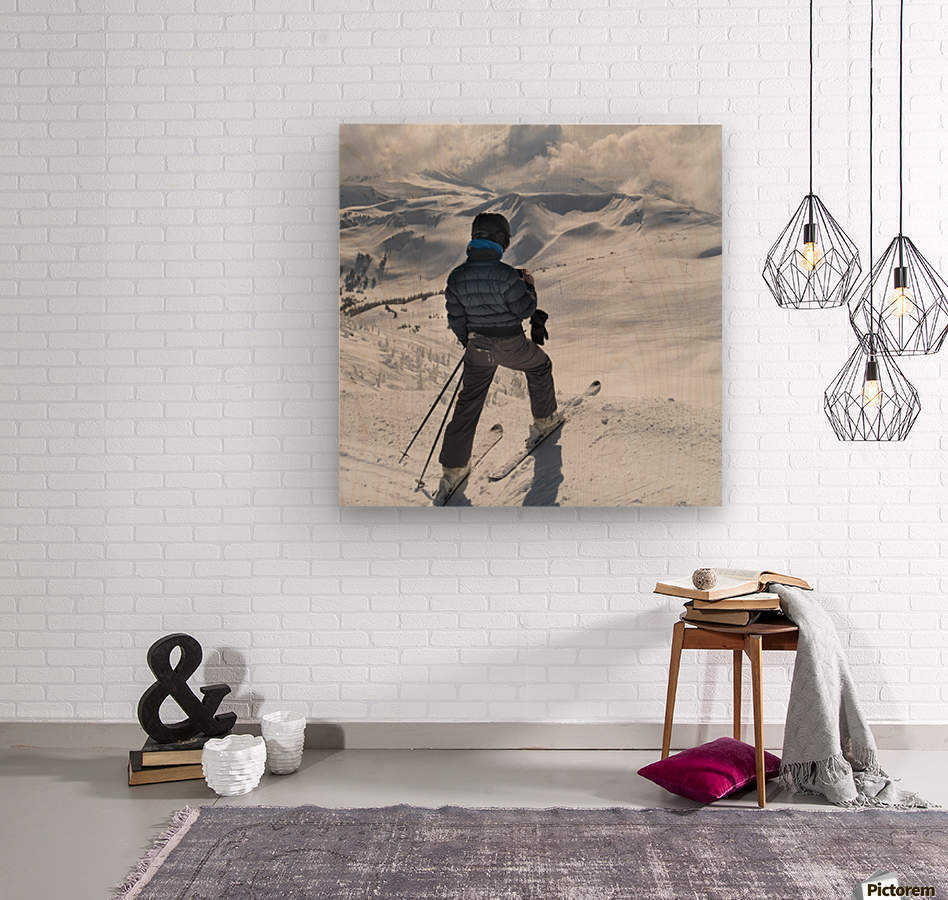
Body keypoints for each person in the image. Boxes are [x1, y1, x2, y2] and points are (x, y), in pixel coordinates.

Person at [436, 212, 559, 502]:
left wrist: (467, 340)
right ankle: (544, 421)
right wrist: (528, 285)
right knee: (540, 366)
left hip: (477, 347)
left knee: (468, 402)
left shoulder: (457, 277)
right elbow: (523, 310)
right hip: (510, 344)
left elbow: (456, 318)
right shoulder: (506, 275)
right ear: (501, 240)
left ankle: (453, 469)